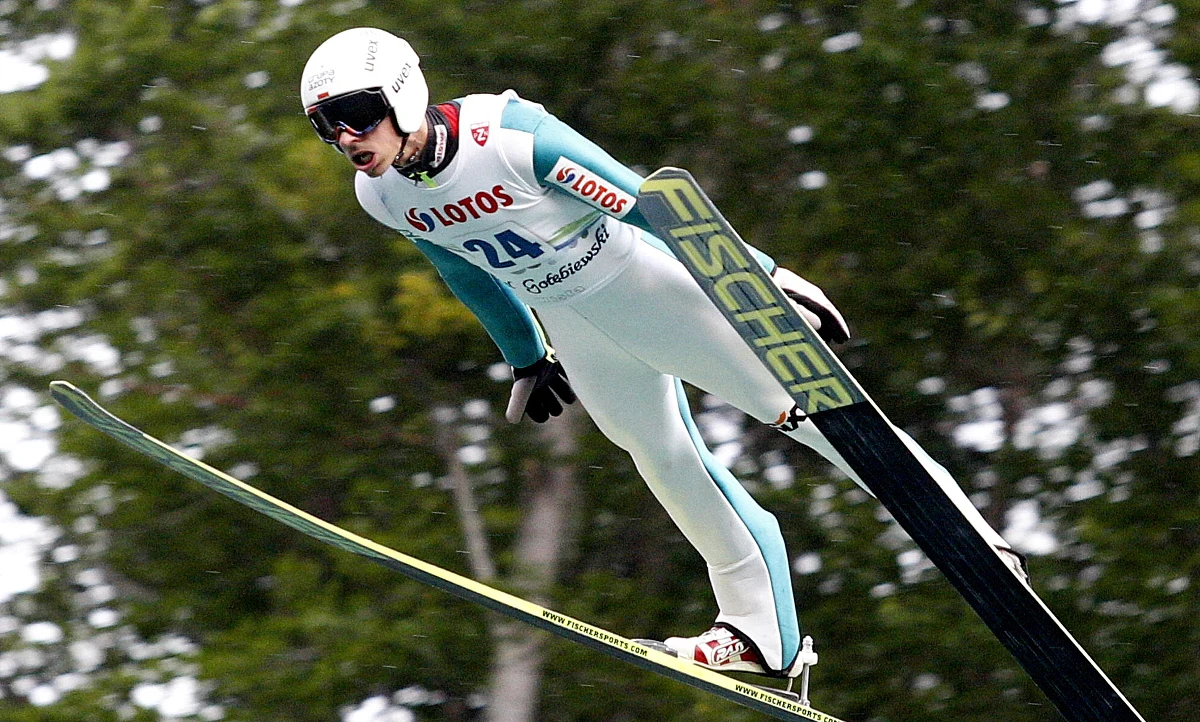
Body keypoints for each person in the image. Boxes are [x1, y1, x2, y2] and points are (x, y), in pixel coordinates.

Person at [300, 27, 1026, 679]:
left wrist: (765, 275)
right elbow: (463, 272)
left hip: (646, 287)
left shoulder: (510, 136)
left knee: (811, 414)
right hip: (575, 326)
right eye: (324, 126)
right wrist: (526, 357)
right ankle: (759, 632)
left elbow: (646, 201)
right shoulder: (384, 197)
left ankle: (974, 541)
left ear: (403, 94)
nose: (344, 137)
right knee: (662, 454)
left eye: (355, 114)